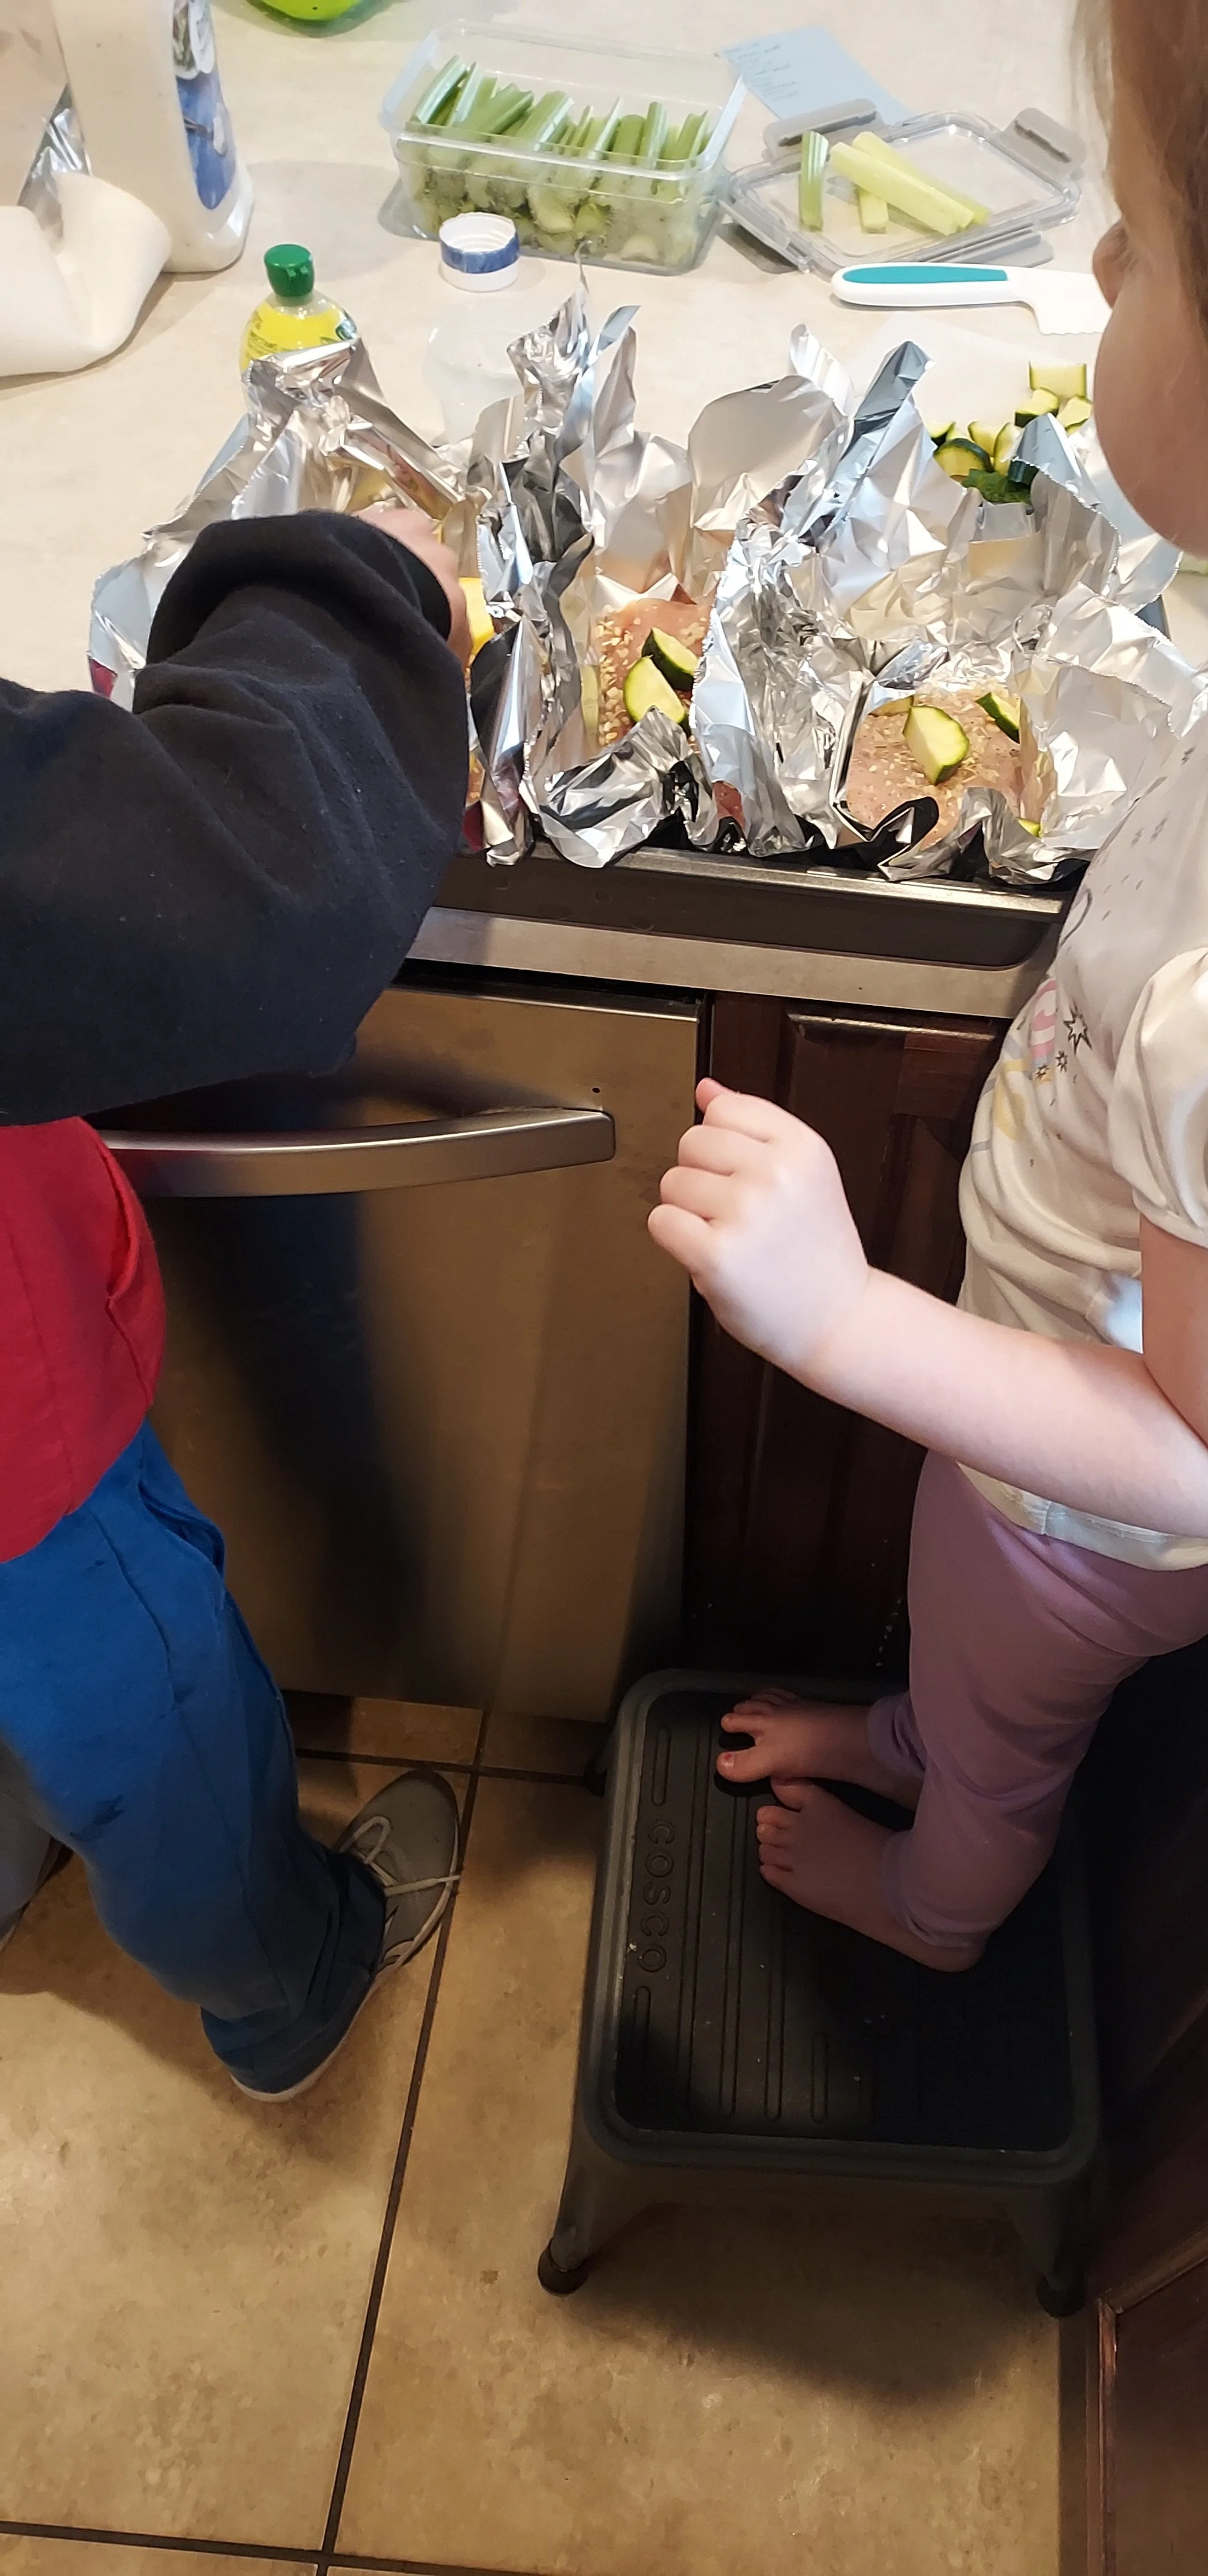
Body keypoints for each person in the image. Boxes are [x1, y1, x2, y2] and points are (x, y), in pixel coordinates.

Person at [649, 0, 1208, 1970]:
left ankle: (933, 1899)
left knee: (1009, 1717)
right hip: (1081, 1414)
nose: (1095, 265)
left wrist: (837, 1312)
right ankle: (922, 1723)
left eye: (1146, 241)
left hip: (1096, 1513)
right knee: (963, 1655)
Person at [0, 503, 474, 2095]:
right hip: (19, 1460)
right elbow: (247, 871)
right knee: (155, 1726)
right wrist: (361, 580)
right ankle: (288, 1977)